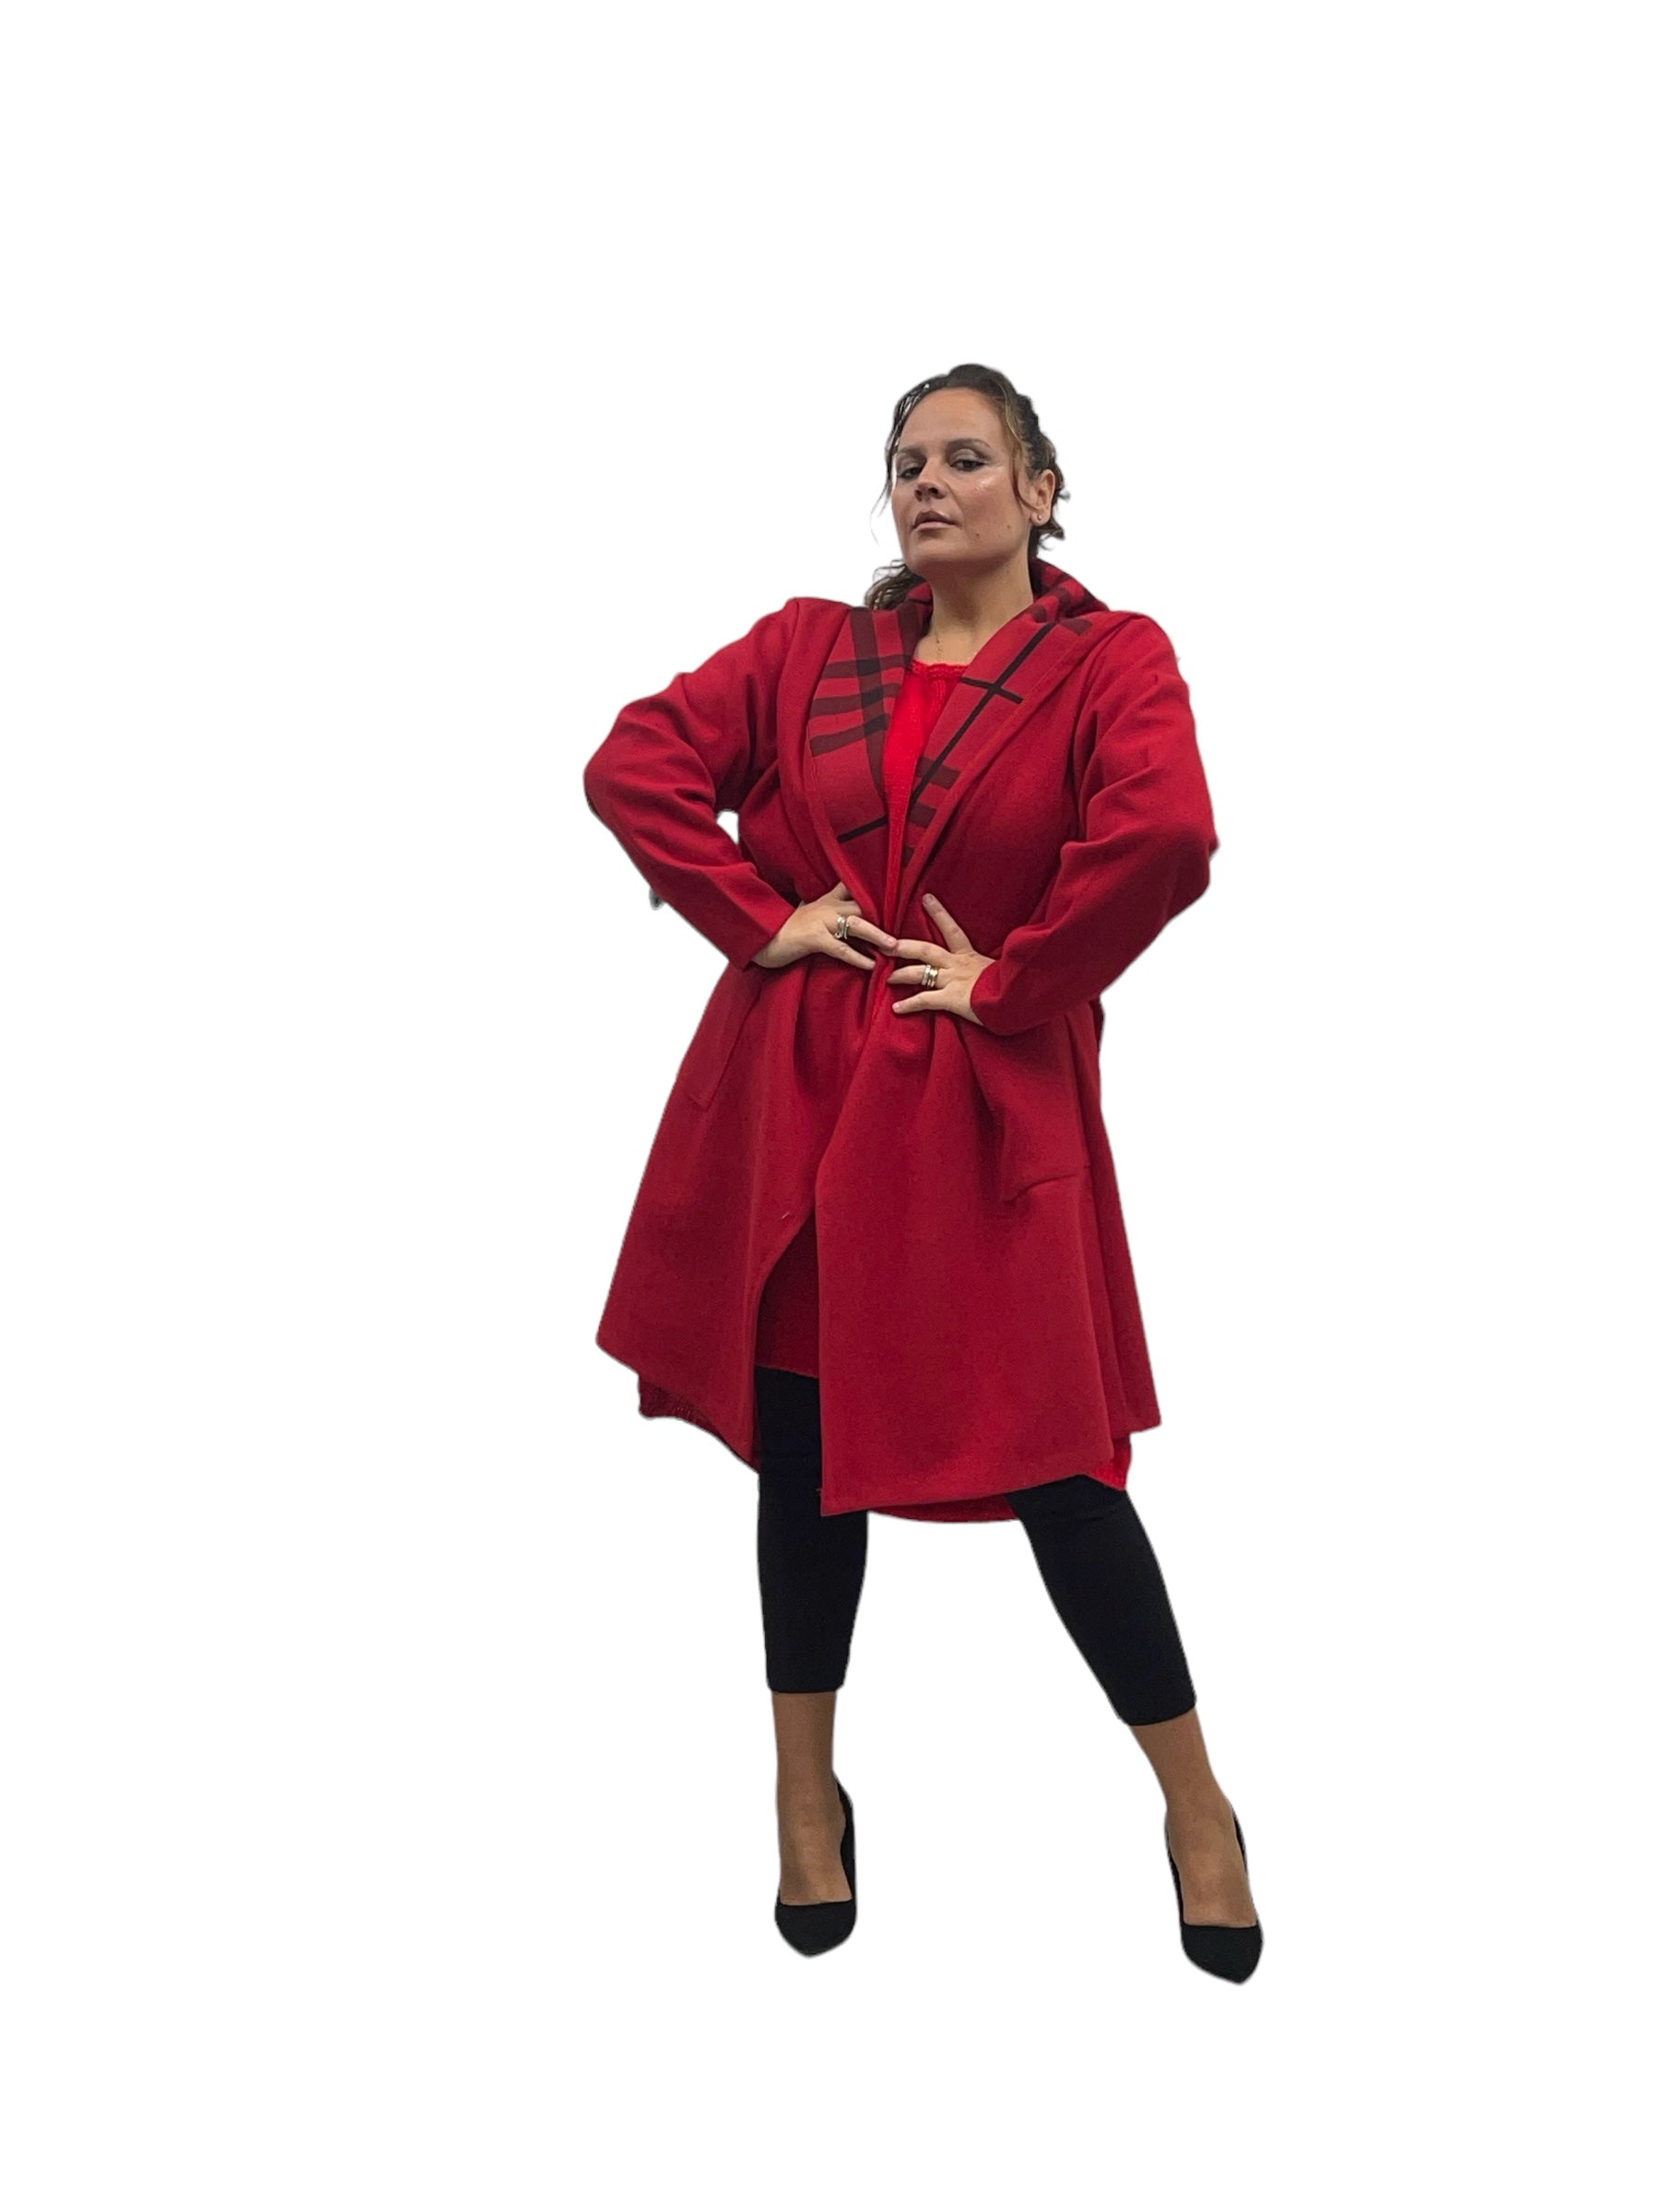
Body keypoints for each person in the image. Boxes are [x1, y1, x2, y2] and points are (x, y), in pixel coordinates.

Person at [582, 363, 1261, 1978]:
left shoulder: (1110, 661)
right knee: (804, 1451)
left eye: (965, 457)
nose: (927, 483)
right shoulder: (806, 649)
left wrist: (1017, 979)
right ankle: (802, 1798)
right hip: (800, 1101)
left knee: (1062, 1469)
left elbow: (1167, 837)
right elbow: (632, 763)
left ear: (1040, 490)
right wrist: (761, 918)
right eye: (906, 461)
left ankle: (1199, 1808)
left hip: (983, 1114)